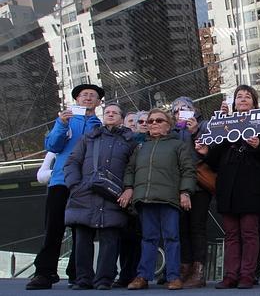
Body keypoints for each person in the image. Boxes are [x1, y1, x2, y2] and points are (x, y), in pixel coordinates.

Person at [197, 85, 260, 289]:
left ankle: (247, 275)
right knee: (231, 234)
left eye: (247, 97)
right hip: (227, 189)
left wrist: (257, 145)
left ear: (254, 102)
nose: (242, 99)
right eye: (239, 96)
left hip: (252, 188)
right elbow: (213, 161)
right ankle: (230, 275)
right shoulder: (224, 126)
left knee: (250, 234)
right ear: (234, 102)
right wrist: (207, 150)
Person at [26, 84, 104, 290]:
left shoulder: (100, 126)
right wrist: (61, 124)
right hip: (60, 182)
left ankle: (77, 273)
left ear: (98, 102)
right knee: (53, 229)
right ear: (77, 99)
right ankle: (44, 272)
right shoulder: (66, 121)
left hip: (85, 184)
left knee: (82, 231)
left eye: (92, 96)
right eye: (84, 95)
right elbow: (52, 145)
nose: (88, 98)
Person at [63, 103, 138, 290]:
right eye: (107, 112)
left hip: (113, 196)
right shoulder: (88, 138)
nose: (111, 115)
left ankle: (104, 279)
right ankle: (83, 279)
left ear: (121, 118)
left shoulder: (130, 141)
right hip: (85, 194)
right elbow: (72, 162)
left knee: (110, 238)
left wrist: (128, 188)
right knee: (82, 239)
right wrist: (74, 185)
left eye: (115, 112)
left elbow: (134, 168)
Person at [125, 108, 197, 290]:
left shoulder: (178, 146)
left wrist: (185, 192)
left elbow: (188, 170)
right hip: (145, 199)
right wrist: (128, 188)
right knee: (148, 239)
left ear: (169, 126)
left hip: (169, 199)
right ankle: (143, 276)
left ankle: (173, 277)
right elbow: (130, 170)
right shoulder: (140, 147)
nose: (154, 124)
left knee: (172, 237)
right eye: (150, 121)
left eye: (159, 120)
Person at [170, 97, 212, 288]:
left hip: (199, 185)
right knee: (181, 229)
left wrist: (195, 131)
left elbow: (212, 152)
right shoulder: (172, 132)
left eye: (186, 108)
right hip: (176, 187)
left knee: (197, 227)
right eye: (177, 109)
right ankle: (184, 268)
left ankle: (199, 270)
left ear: (194, 109)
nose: (182, 111)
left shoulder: (204, 126)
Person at [113, 110, 148, 288]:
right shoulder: (124, 143)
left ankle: (141, 274)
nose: (138, 124)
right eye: (134, 121)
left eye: (142, 121)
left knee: (143, 236)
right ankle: (126, 273)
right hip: (124, 193)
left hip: (145, 193)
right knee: (125, 237)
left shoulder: (150, 141)